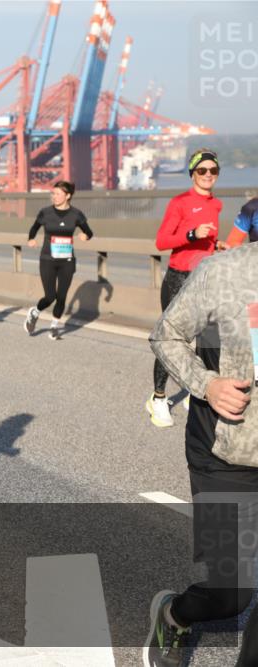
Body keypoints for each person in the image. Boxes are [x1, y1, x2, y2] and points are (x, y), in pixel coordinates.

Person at [145, 240, 256, 667]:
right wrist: (207, 384)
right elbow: (166, 335)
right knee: (233, 594)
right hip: (226, 451)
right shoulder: (224, 272)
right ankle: (174, 615)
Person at [147, 149, 222, 428]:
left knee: (207, 339)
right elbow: (162, 241)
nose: (207, 175)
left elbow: (208, 244)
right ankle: (157, 398)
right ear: (192, 173)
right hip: (179, 278)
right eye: (201, 171)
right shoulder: (180, 202)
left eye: (212, 171)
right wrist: (192, 235)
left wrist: (218, 247)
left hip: (204, 279)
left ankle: (196, 390)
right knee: (172, 340)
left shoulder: (216, 205)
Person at [22, 181, 94, 340]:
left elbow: (89, 232)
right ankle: (35, 312)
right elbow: (34, 228)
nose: (54, 197)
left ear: (68, 196)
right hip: (48, 259)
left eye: (58, 194)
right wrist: (31, 239)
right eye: (53, 194)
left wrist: (85, 236)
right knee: (50, 296)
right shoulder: (45, 213)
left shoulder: (76, 214)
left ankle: (54, 327)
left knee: (61, 296)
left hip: (67, 261)